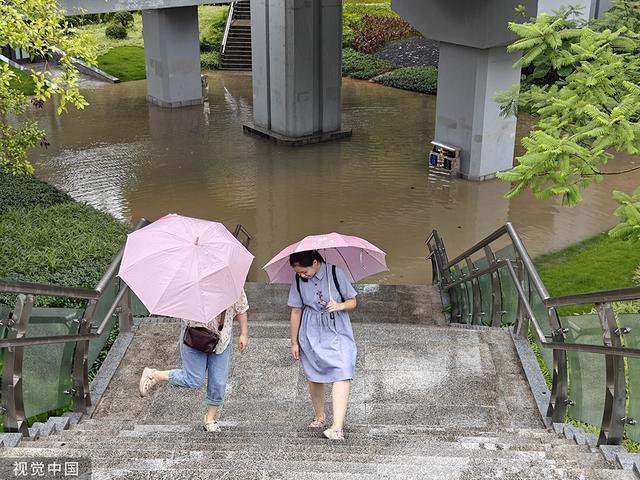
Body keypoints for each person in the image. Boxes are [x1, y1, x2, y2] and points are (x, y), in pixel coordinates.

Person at [138, 289, 249, 432]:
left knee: (219, 381)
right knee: (193, 379)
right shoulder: (192, 282)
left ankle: (209, 419)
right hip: (195, 334)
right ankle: (155, 375)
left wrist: (243, 334)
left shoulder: (232, 284)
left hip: (222, 338)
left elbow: (242, 308)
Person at [288, 250, 358, 441]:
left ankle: (337, 427)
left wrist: (340, 305)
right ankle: (319, 416)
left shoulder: (335, 273)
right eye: (299, 273)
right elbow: (296, 311)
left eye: (305, 271)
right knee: (314, 373)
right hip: (311, 329)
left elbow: (353, 301)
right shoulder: (298, 280)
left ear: (316, 262)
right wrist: (294, 341)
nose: (302, 275)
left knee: (343, 370)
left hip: (337, 327)